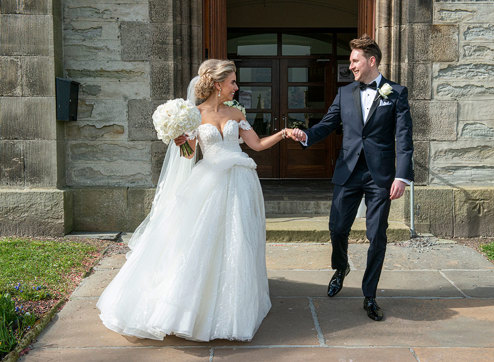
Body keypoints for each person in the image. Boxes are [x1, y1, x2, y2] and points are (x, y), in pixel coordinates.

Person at [97, 59, 293, 341]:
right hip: (210, 182)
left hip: (240, 181)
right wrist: (180, 140)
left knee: (237, 241)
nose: (236, 87)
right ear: (217, 84)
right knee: (202, 241)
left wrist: (284, 133)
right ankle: (191, 309)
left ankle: (232, 309)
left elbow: (257, 145)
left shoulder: (237, 114)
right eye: (232, 82)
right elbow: (190, 155)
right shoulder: (194, 115)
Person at [291, 35, 414, 321]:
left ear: (371, 61)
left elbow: (404, 138)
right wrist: (306, 136)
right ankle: (341, 266)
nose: (351, 67)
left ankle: (370, 295)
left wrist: (402, 177)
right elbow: (327, 124)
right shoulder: (345, 93)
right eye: (350, 62)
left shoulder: (396, 93)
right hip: (347, 171)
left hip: (380, 177)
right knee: (337, 228)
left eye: (354, 61)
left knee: (377, 236)